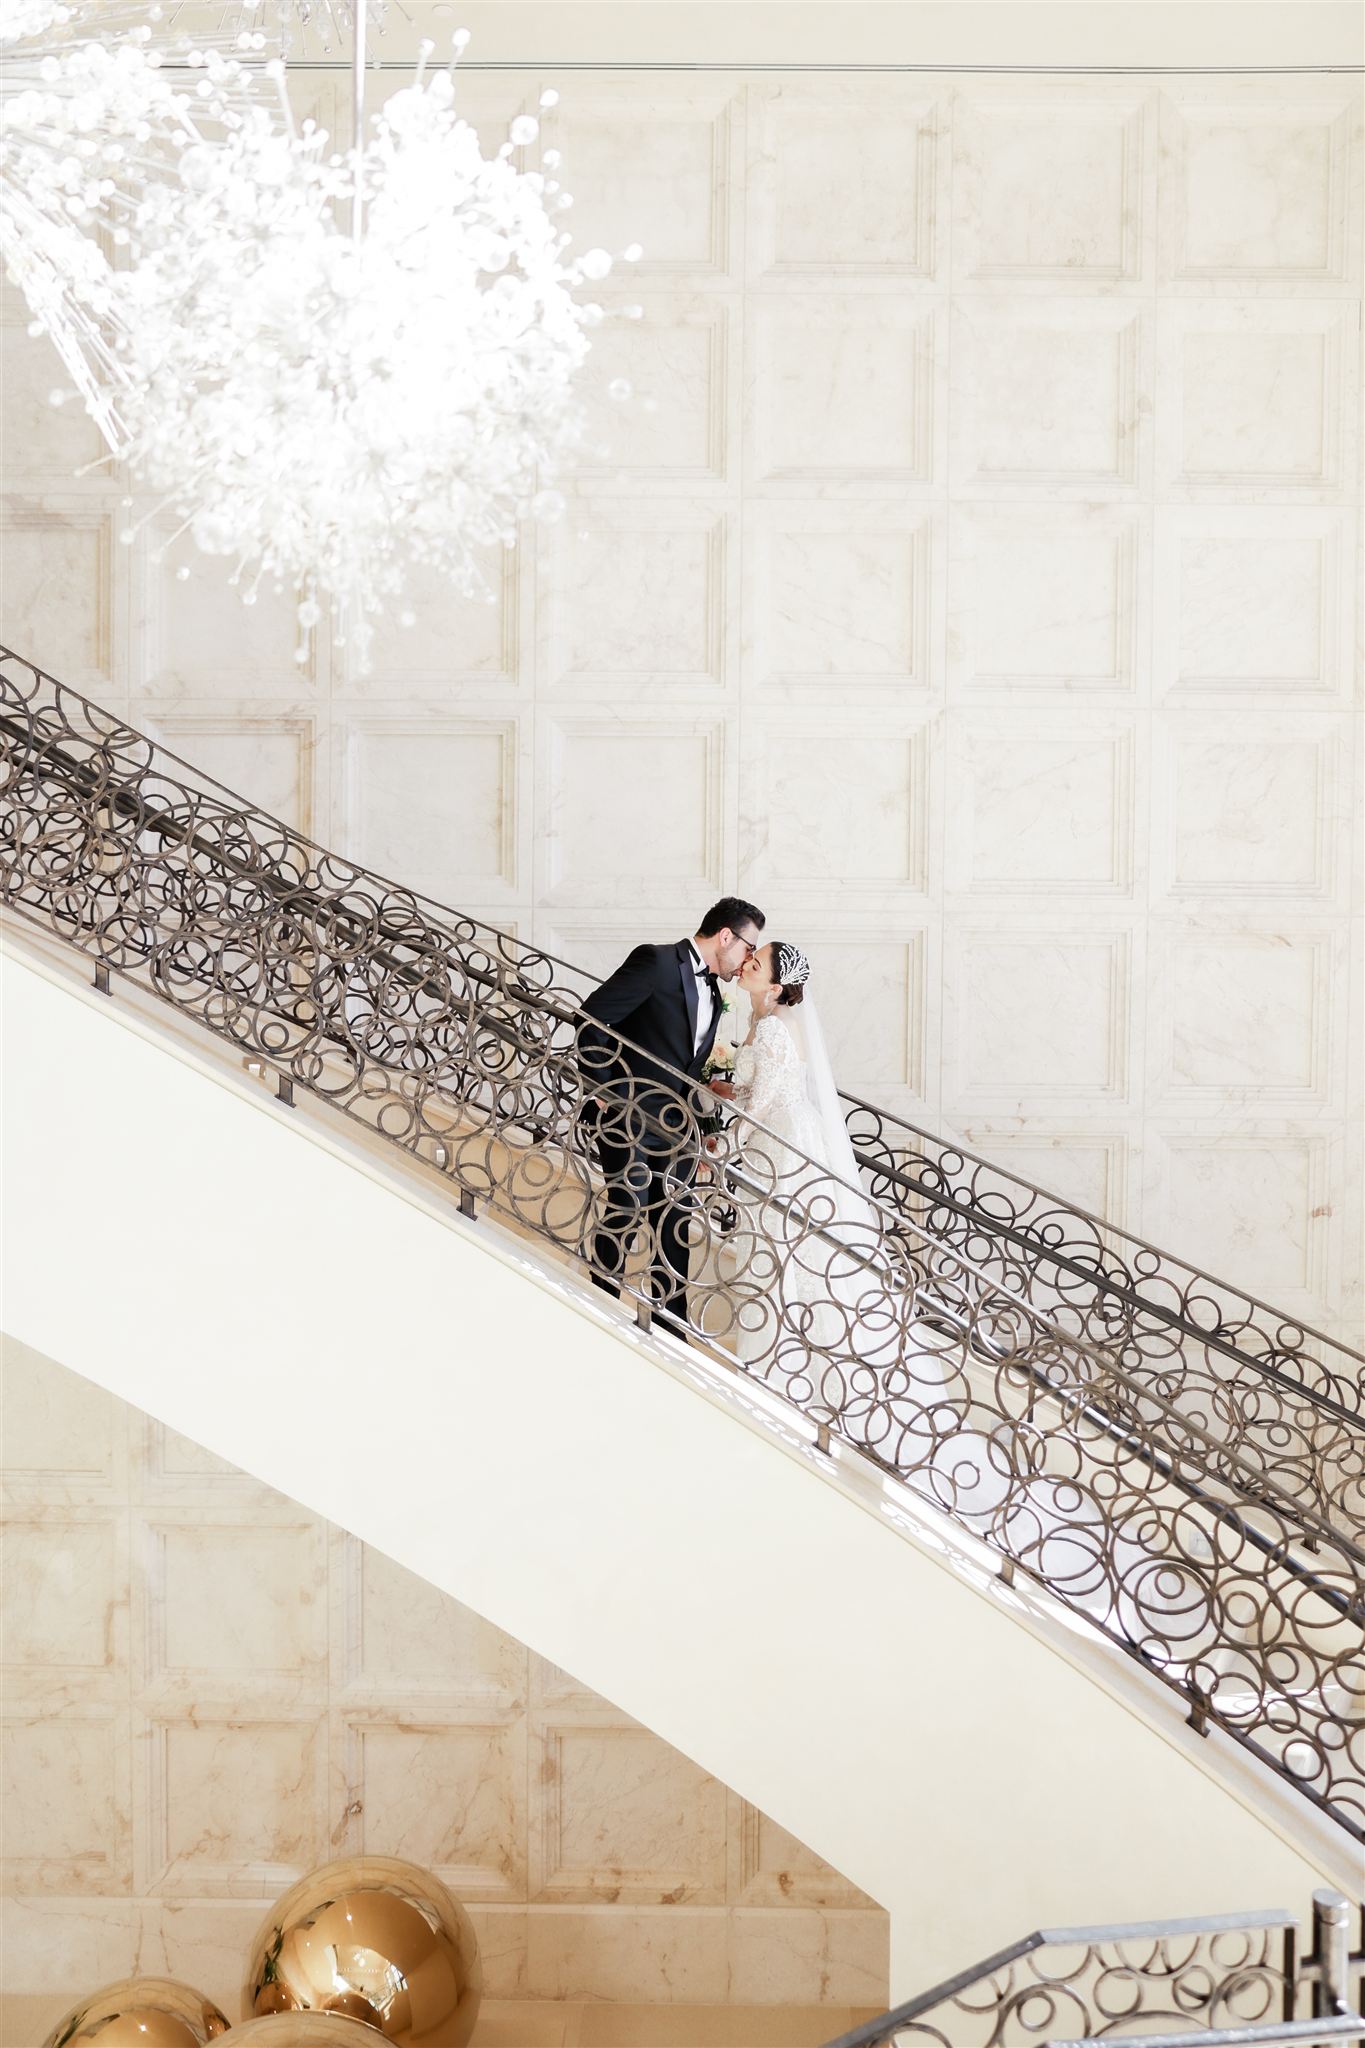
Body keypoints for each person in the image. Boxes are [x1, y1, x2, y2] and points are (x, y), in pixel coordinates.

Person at [577, 896, 764, 1334]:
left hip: (677, 1128)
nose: (747, 960)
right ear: (725, 937)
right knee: (629, 1203)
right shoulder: (657, 962)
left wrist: (702, 1119)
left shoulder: (715, 993)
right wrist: (608, 1090)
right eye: (748, 948)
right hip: (627, 1117)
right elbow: (590, 1020)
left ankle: (671, 1327)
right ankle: (596, 1302)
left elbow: (683, 1063)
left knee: (675, 1220)